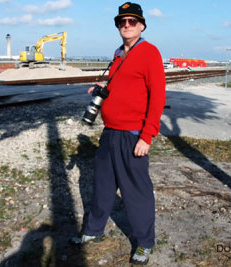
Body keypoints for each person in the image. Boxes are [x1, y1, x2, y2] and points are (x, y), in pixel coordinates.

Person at [74, 2, 166, 266]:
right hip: (110, 132)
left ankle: (144, 243)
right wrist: (103, 89)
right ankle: (93, 231)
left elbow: (158, 97)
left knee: (136, 191)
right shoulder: (117, 54)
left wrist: (146, 136)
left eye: (132, 21)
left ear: (142, 25)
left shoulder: (149, 52)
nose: (126, 25)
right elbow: (124, 87)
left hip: (133, 134)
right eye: (122, 21)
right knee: (102, 186)